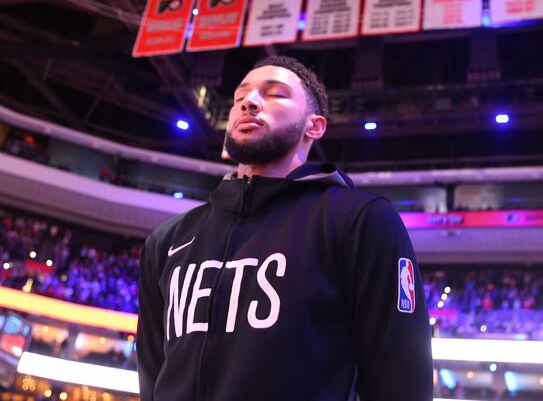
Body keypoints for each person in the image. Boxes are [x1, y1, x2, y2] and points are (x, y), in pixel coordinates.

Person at [136, 55, 433, 400]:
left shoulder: (359, 220)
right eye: (239, 96)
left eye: (275, 93)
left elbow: (401, 382)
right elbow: (153, 377)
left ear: (314, 126)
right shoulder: (167, 240)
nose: (249, 102)